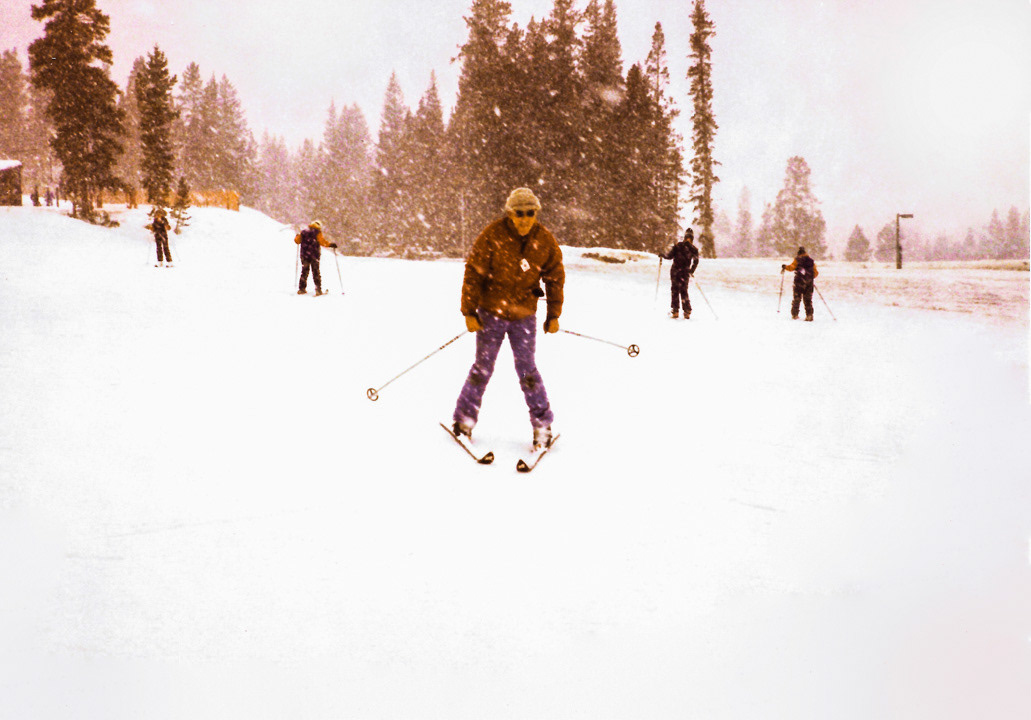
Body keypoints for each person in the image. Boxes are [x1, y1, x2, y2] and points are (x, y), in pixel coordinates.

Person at [452, 187, 564, 451]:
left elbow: (555, 277)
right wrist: (469, 312)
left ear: (536, 213)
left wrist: (553, 315)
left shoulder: (544, 240)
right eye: (519, 213)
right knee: (482, 368)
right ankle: (464, 421)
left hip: (524, 317)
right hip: (491, 314)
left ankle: (542, 426)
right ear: (510, 213)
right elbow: (474, 273)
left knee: (527, 371)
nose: (524, 219)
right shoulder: (493, 235)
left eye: (530, 213)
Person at [659, 227, 700, 318]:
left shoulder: (678, 246)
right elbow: (696, 261)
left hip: (675, 271)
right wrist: (691, 271)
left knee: (675, 290)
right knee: (683, 290)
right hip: (684, 272)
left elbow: (669, 256)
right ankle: (686, 311)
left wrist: (663, 255)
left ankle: (675, 311)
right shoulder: (693, 249)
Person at [293, 220, 336, 295]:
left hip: (304, 255)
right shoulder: (317, 232)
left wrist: (297, 236)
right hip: (314, 255)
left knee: (304, 272)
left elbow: (297, 241)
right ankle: (318, 290)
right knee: (315, 272)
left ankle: (302, 289)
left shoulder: (304, 232)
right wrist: (330, 245)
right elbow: (322, 242)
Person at [782, 246, 819, 320]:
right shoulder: (811, 261)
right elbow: (816, 273)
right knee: (808, 300)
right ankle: (809, 315)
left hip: (799, 282)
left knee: (797, 298)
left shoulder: (797, 260)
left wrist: (785, 267)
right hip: (809, 283)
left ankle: (795, 315)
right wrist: (809, 278)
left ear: (799, 253)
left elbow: (791, 267)